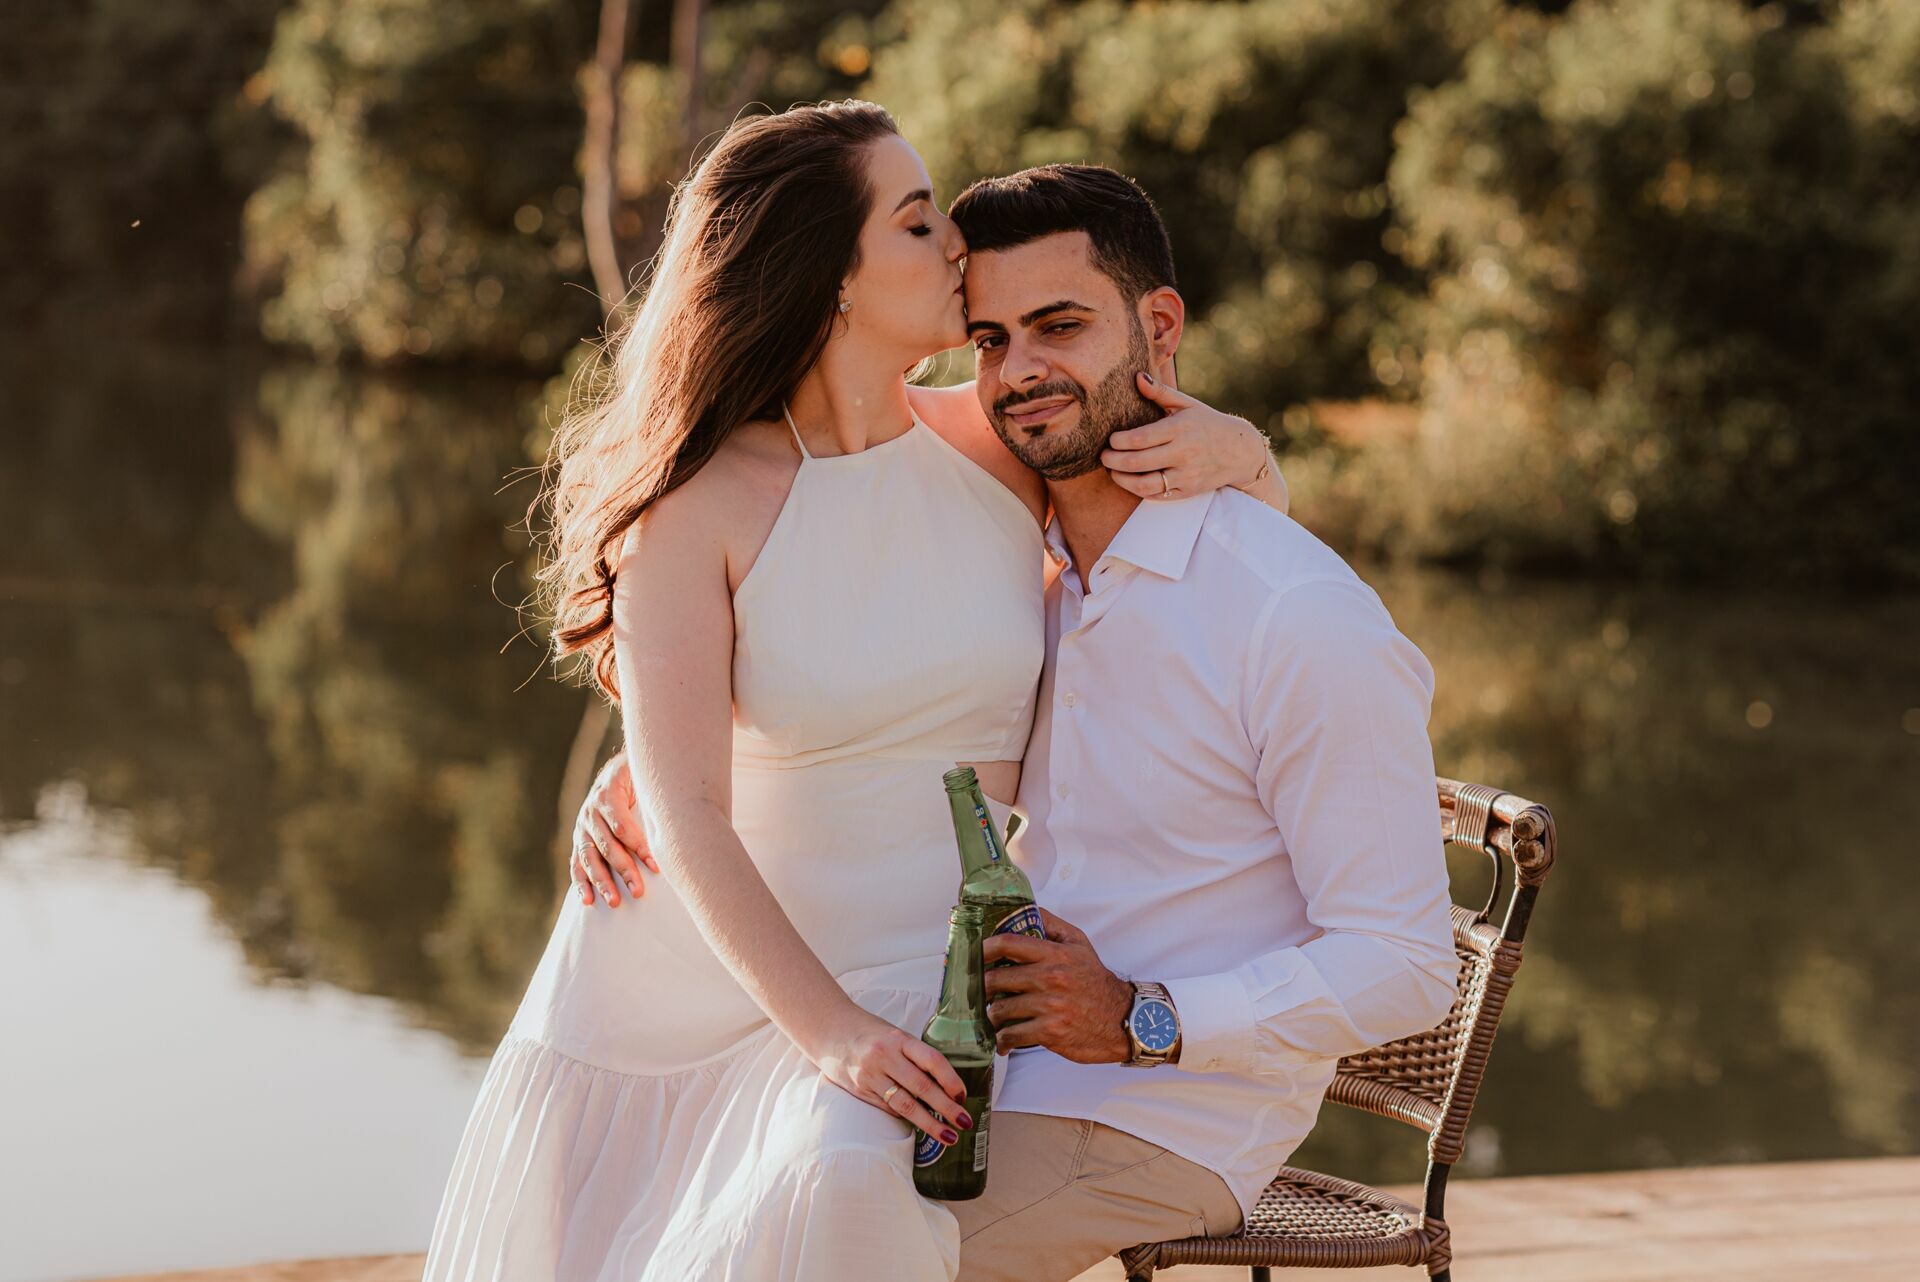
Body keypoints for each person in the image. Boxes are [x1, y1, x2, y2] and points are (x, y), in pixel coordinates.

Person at [421, 103, 1287, 1282]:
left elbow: (1219, 586)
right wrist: (828, 1030)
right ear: (831, 274)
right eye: (920, 223)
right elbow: (688, 809)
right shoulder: (695, 507)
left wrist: (1248, 456)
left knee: (842, 1186)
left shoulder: (1005, 449)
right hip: (704, 987)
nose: (957, 247)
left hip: (920, 972)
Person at [575, 164, 1460, 1282]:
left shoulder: (1298, 616)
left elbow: (1405, 965)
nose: (1022, 370)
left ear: (1159, 327)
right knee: (678, 1213)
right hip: (979, 1062)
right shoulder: (1029, 578)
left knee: (804, 1256)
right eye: (991, 339)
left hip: (1164, 1113)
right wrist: (667, 760)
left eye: (1061, 326)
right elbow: (838, 664)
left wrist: (1142, 1017)